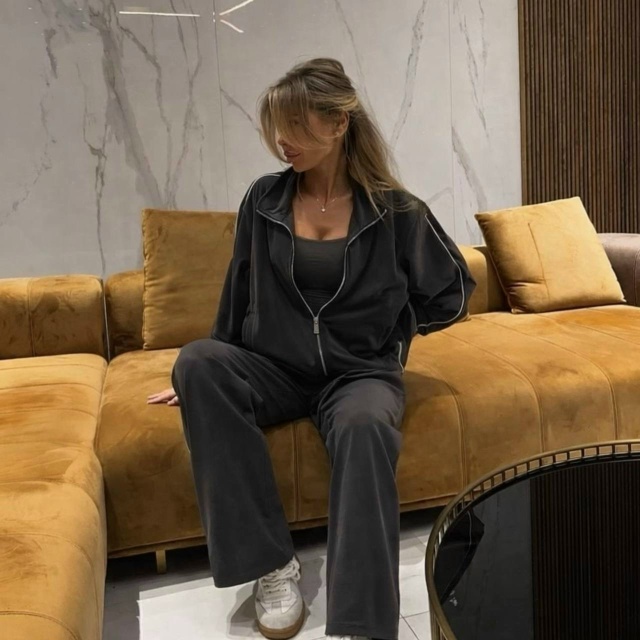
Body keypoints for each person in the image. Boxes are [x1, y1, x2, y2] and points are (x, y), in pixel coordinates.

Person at [148, 57, 476, 640]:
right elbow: (239, 286)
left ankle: (364, 620)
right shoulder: (264, 200)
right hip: (274, 367)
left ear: (339, 123)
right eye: (276, 125)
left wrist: (393, 330)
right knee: (197, 362)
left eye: (296, 124)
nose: (282, 139)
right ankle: (272, 565)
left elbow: (452, 294)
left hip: (360, 375)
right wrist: (206, 380)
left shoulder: (397, 212)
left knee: (365, 427)